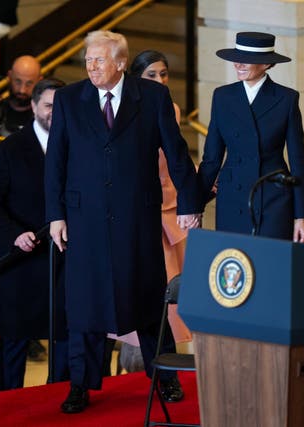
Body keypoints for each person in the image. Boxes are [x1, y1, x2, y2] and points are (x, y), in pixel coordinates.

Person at [45, 30, 201, 414]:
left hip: (137, 218)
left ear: (119, 63)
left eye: (98, 60)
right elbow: (56, 163)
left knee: (149, 299)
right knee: (85, 305)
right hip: (84, 221)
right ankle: (80, 385)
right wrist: (55, 216)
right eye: (88, 60)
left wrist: (190, 202)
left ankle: (164, 377)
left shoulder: (151, 97)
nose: (91, 67)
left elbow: (176, 153)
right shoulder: (69, 99)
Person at [0, 78, 69, 390]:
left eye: (60, 106)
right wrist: (15, 234)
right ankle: (9, 410)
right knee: (14, 346)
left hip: (62, 264)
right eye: (47, 106)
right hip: (20, 263)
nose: (53, 112)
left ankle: (59, 406)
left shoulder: (77, 145)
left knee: (65, 343)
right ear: (33, 107)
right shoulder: (10, 149)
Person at [197, 32, 304, 242]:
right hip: (232, 197)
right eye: (236, 58)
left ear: (266, 65)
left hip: (273, 199)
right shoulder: (222, 96)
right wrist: (195, 206)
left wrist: (300, 216)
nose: (238, 64)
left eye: (246, 60)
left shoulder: (287, 99)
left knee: (270, 265)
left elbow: (298, 161)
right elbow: (211, 159)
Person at [129, 49, 192, 345]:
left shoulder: (174, 109)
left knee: (174, 287)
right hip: (141, 208)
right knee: (147, 286)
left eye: (163, 74)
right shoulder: (126, 110)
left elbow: (176, 156)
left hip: (171, 208)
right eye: (151, 75)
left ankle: (164, 360)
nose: (159, 80)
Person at [0, 55, 43, 135]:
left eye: (29, 84)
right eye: (18, 82)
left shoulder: (45, 120)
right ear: (9, 77)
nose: (22, 90)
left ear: (39, 81)